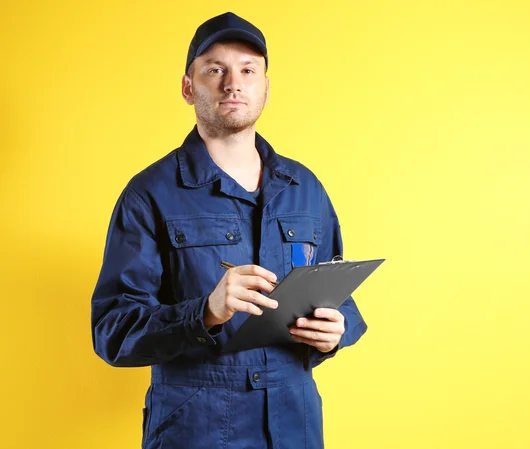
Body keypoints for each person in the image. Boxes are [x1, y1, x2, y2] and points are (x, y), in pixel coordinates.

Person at [91, 11, 367, 449]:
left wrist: (336, 332)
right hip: (196, 430)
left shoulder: (306, 189)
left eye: (247, 70)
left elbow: (340, 299)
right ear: (188, 87)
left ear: (265, 88)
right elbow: (113, 333)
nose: (232, 82)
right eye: (215, 69)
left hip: (295, 426)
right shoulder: (149, 194)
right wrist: (204, 312)